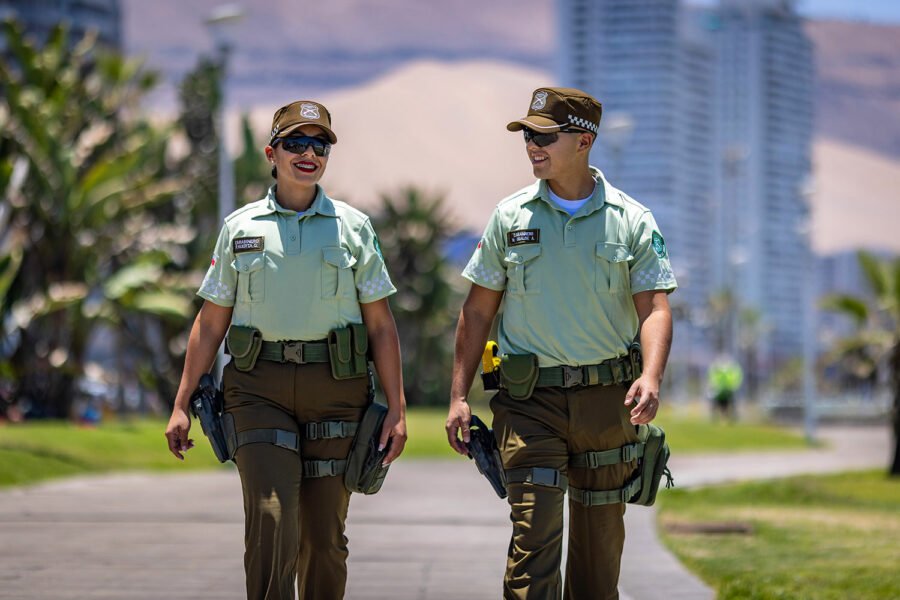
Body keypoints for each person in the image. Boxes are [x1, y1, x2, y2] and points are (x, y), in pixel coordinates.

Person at [165, 100, 407, 600]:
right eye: (296, 143)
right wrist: (181, 402)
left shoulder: (354, 228)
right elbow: (211, 322)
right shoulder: (241, 228)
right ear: (271, 153)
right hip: (257, 390)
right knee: (272, 521)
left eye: (319, 145)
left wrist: (397, 409)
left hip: (337, 392)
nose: (308, 153)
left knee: (323, 540)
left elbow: (381, 327)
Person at [446, 87, 677, 599]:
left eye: (544, 135)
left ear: (585, 140)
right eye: (527, 134)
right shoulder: (510, 217)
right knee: (534, 541)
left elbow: (655, 308)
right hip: (530, 405)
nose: (532, 144)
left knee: (598, 562)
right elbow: (477, 310)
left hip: (607, 405)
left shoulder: (632, 220)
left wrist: (651, 376)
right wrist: (459, 396)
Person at [707, 354, 743, 421]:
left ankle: (733, 416)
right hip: (719, 390)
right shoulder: (716, 369)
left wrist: (733, 386)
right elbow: (712, 379)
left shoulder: (732, 369)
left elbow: (736, 379)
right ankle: (715, 416)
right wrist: (715, 385)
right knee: (713, 399)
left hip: (729, 390)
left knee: (732, 400)